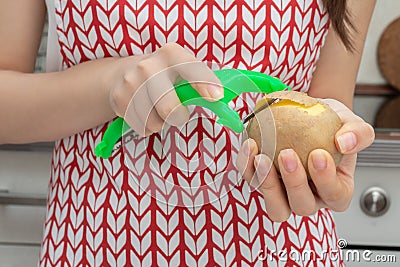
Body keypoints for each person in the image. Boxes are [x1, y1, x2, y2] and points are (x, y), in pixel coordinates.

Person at [0, 0, 376, 265]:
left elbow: (326, 103)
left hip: (286, 251)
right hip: (95, 244)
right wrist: (107, 84)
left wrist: (331, 160)